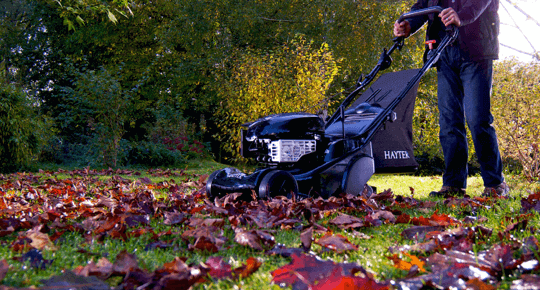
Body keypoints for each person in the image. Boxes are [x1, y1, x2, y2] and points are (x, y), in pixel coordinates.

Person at [393, 0, 509, 197]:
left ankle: (495, 183)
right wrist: (408, 24)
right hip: (444, 53)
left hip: (476, 50)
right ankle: (453, 185)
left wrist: (460, 16)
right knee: (449, 122)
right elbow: (424, 5)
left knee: (477, 119)